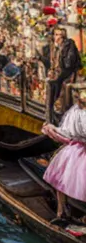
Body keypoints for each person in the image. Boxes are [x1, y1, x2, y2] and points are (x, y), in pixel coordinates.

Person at [41, 88, 86, 225]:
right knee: (62, 181)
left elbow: (67, 134)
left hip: (76, 150)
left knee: (61, 181)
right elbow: (68, 133)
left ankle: (62, 213)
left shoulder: (75, 111)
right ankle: (62, 212)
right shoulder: (76, 112)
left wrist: (51, 129)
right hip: (78, 150)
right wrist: (52, 129)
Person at [37, 26, 81, 125]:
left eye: (59, 35)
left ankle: (61, 118)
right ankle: (51, 117)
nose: (57, 37)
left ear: (63, 36)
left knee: (60, 92)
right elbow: (52, 64)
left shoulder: (68, 44)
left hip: (66, 75)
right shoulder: (54, 47)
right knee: (51, 87)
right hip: (59, 76)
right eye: (56, 35)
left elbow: (68, 64)